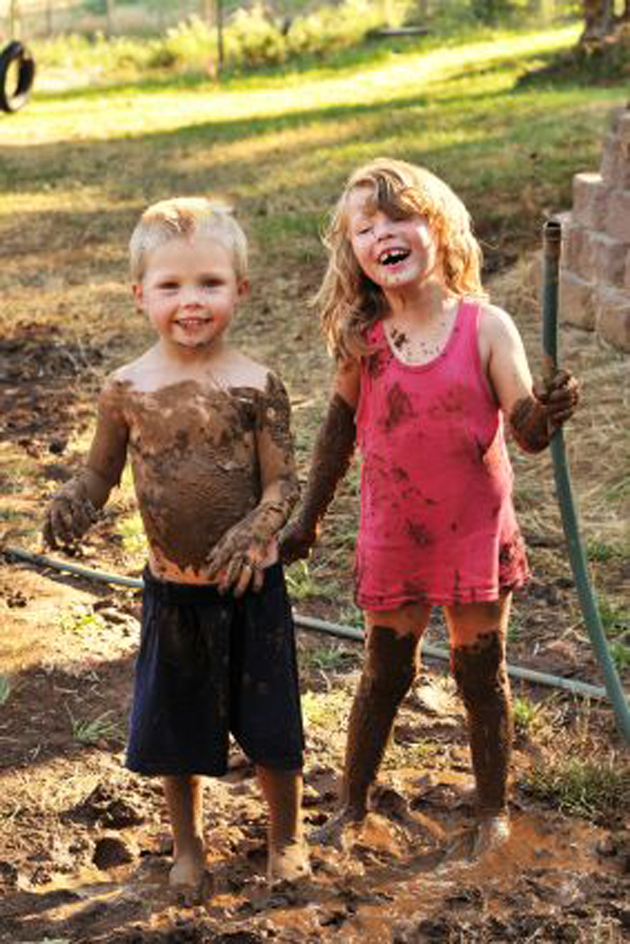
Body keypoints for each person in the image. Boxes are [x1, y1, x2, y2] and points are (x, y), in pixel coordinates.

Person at [280, 158, 579, 855]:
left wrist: (549, 411)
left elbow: (526, 433)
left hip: (472, 531)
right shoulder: (365, 338)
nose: (384, 233)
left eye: (400, 217)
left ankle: (492, 814)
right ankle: (351, 805)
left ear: (437, 228)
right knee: (386, 669)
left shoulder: (485, 326)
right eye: (366, 227)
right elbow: (336, 430)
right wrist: (308, 519)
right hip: (396, 533)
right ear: (353, 252)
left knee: (481, 672)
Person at [43, 197, 310, 889]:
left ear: (240, 290)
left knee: (273, 723)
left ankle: (287, 838)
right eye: (170, 286)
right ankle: (188, 846)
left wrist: (257, 528)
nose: (191, 302)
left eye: (210, 284)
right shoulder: (126, 389)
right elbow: (100, 472)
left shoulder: (258, 386)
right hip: (173, 591)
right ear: (140, 296)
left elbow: (285, 484)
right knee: (176, 730)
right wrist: (76, 499)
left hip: (251, 586)